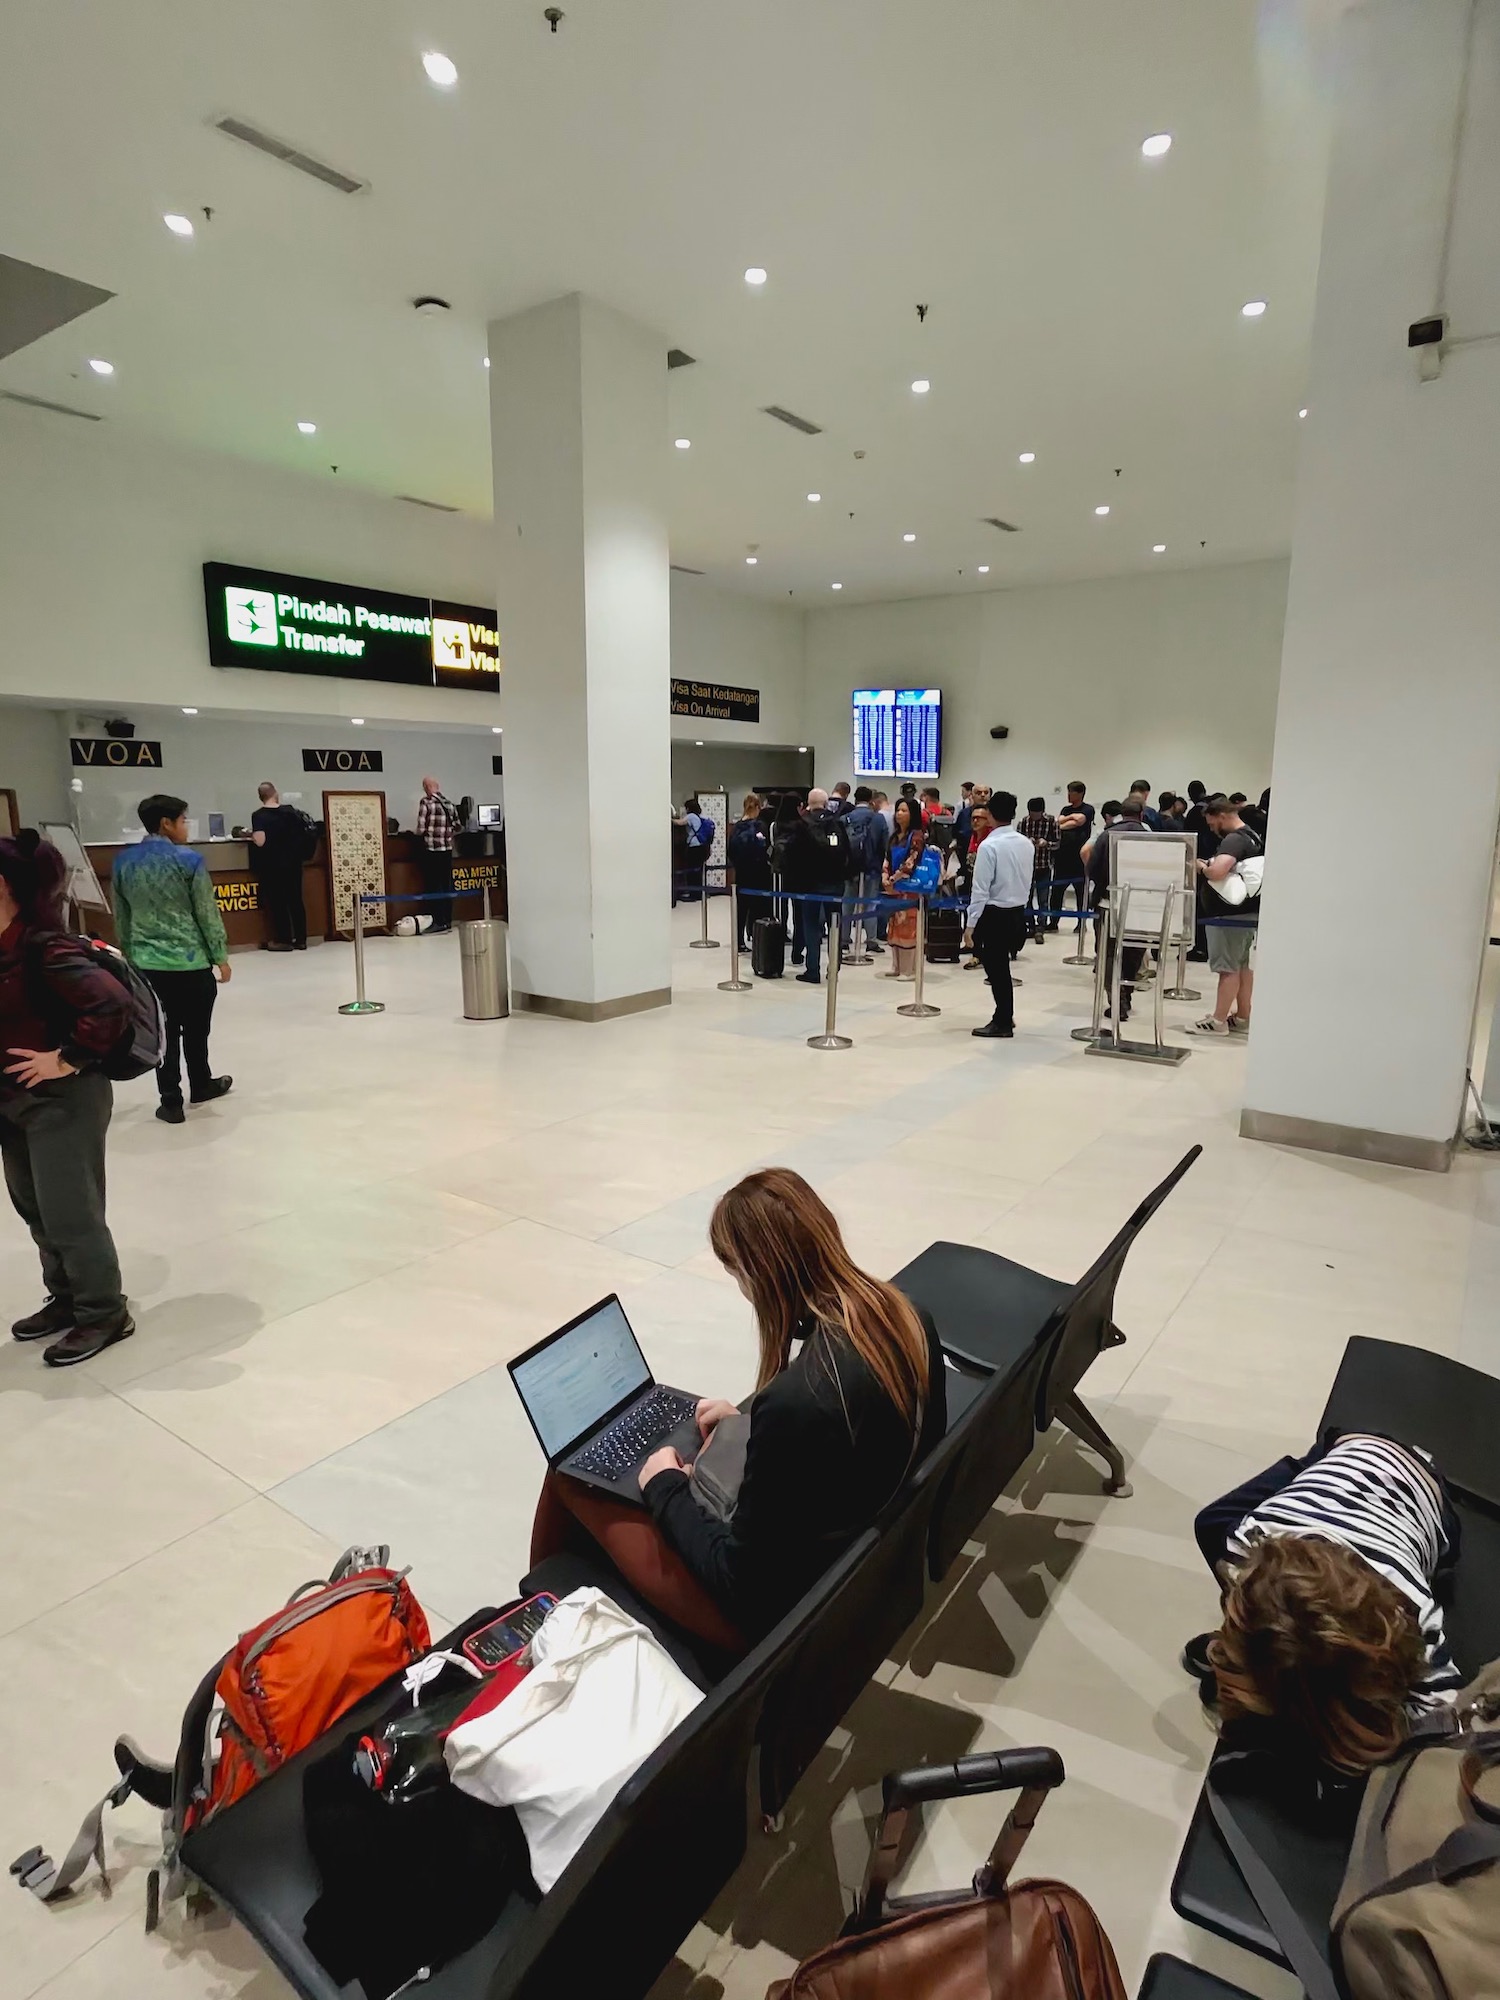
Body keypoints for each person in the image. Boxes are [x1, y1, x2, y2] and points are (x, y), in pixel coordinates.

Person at [528, 1168, 945, 1652]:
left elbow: (737, 1581)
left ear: (759, 1273)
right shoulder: (906, 1317)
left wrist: (665, 1485)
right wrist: (745, 1429)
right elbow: (843, 1447)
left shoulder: (793, 1402)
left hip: (777, 1618)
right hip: (857, 1564)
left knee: (568, 1478)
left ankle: (532, 1623)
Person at [1183, 1432, 1462, 1777]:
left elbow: (1445, 1719)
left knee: (1215, 1523)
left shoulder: (1413, 1611)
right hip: (1343, 1454)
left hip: (1424, 1488)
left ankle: (1316, 1458)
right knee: (1210, 1523)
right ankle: (1315, 1456)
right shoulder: (1247, 1545)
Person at [1, 832, 136, 1366]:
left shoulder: (44, 945)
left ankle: (104, 1312)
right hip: (12, 1101)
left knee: (71, 1214)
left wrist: (66, 1058)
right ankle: (66, 1299)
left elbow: (112, 1003)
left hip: (63, 1099)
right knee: (34, 1208)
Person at [112, 795, 232, 1126]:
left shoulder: (124, 863)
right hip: (190, 964)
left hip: (149, 966)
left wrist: (130, 958)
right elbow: (206, 913)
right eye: (183, 820)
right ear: (166, 823)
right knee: (197, 1030)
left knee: (164, 1035)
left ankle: (171, 1101)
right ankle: (202, 1084)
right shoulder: (189, 861)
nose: (186, 826)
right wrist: (220, 956)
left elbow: (121, 917)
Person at [1189, 795, 1262, 1038]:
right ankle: (1242, 1016)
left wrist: (1202, 867)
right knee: (1241, 967)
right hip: (1246, 913)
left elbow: (1218, 871)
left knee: (1227, 968)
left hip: (1228, 915)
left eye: (1212, 824)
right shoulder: (1252, 835)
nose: (1212, 829)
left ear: (1222, 816)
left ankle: (1218, 1021)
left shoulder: (1233, 839)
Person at [964, 791, 1033, 1040]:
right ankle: (1005, 1014)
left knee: (997, 971)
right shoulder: (1026, 843)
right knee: (1001, 968)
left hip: (994, 913)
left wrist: (971, 924)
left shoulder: (989, 846)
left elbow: (980, 889)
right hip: (1017, 911)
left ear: (990, 815)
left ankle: (1003, 1018)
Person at [1084, 797, 1147, 1030]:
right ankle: (1126, 994)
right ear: (1141, 815)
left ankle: (1115, 998)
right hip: (1139, 905)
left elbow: (1092, 867)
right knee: (1133, 950)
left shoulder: (1106, 835)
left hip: (1108, 902)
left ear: (1122, 813)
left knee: (1108, 952)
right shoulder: (1150, 835)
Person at [780, 789, 848, 985]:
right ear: (826, 803)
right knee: (835, 925)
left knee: (811, 926)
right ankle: (834, 968)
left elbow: (792, 855)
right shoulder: (837, 823)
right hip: (835, 884)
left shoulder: (801, 825)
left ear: (809, 803)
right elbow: (847, 852)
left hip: (809, 885)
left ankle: (812, 969)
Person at [881, 799, 938, 978]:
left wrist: (895, 877)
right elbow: (887, 858)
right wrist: (885, 877)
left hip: (911, 889)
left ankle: (910, 970)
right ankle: (897, 966)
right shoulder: (894, 836)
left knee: (909, 927)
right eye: (898, 810)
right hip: (894, 890)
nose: (899, 814)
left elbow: (913, 860)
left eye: (904, 811)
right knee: (895, 926)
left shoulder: (917, 835)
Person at [249, 783, 308, 952]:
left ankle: (285, 939)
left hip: (273, 865)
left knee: (278, 902)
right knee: (296, 899)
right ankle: (301, 939)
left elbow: (260, 841)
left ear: (260, 796)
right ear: (275, 793)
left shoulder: (259, 816)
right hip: (294, 863)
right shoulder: (291, 812)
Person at [841, 785, 888, 957]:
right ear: (871, 801)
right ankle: (871, 941)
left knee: (847, 904)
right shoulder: (878, 819)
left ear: (855, 798)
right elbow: (884, 844)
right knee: (870, 904)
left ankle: (844, 940)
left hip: (850, 868)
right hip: (872, 868)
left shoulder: (845, 818)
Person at [726, 793, 772, 951]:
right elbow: (766, 848)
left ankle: (739, 941)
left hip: (742, 873)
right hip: (760, 873)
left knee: (741, 909)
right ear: (758, 807)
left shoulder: (737, 827)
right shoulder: (760, 825)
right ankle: (759, 939)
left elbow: (730, 851)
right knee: (760, 908)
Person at [416, 776, 461, 932]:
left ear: (427, 788)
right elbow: (458, 826)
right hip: (447, 850)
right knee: (447, 885)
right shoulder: (449, 803)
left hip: (432, 851)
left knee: (434, 887)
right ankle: (447, 921)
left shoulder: (426, 802)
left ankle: (437, 921)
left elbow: (421, 829)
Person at [1048, 782, 1094, 932]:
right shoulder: (1066, 809)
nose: (1068, 795)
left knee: (1081, 893)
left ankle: (1081, 924)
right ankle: (1053, 922)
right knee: (1056, 893)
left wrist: (1066, 821)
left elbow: (1079, 820)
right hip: (1062, 858)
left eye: (1071, 792)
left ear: (1080, 794)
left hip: (1078, 859)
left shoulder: (1088, 809)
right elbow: (1058, 822)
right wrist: (1068, 821)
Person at [1018, 796, 1058, 943]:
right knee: (1026, 899)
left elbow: (1058, 843)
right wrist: (1026, 843)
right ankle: (1030, 926)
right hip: (1026, 867)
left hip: (1044, 866)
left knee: (1043, 899)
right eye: (1032, 813)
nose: (1035, 817)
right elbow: (1016, 842)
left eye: (1037, 813)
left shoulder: (1052, 822)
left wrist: (1046, 844)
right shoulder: (1023, 822)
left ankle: (1041, 928)